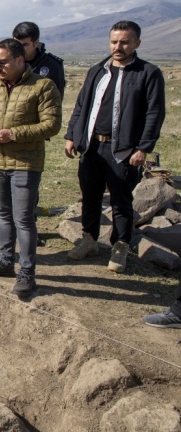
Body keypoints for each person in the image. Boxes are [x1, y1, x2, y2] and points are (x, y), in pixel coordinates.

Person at [64, 20, 165, 273]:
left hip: (124, 150)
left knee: (121, 200)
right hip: (91, 146)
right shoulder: (98, 70)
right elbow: (80, 106)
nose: (118, 47)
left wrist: (143, 148)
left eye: (124, 42)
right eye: (114, 41)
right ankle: (89, 240)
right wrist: (71, 135)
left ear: (136, 43)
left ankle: (120, 246)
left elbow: (155, 113)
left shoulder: (147, 73)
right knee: (90, 196)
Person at [0, 38, 62, 296]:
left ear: (20, 60)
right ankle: (4, 261)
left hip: (25, 163)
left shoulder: (42, 86)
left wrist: (14, 134)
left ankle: (26, 273)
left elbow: (51, 125)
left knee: (24, 219)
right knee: (4, 215)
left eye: (3, 62)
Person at [0, 21, 66, 242]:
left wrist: (16, 132)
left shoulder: (50, 69)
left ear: (35, 43)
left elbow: (52, 115)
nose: (19, 49)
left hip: (27, 152)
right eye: (15, 43)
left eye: (24, 45)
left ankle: (27, 239)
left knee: (25, 201)